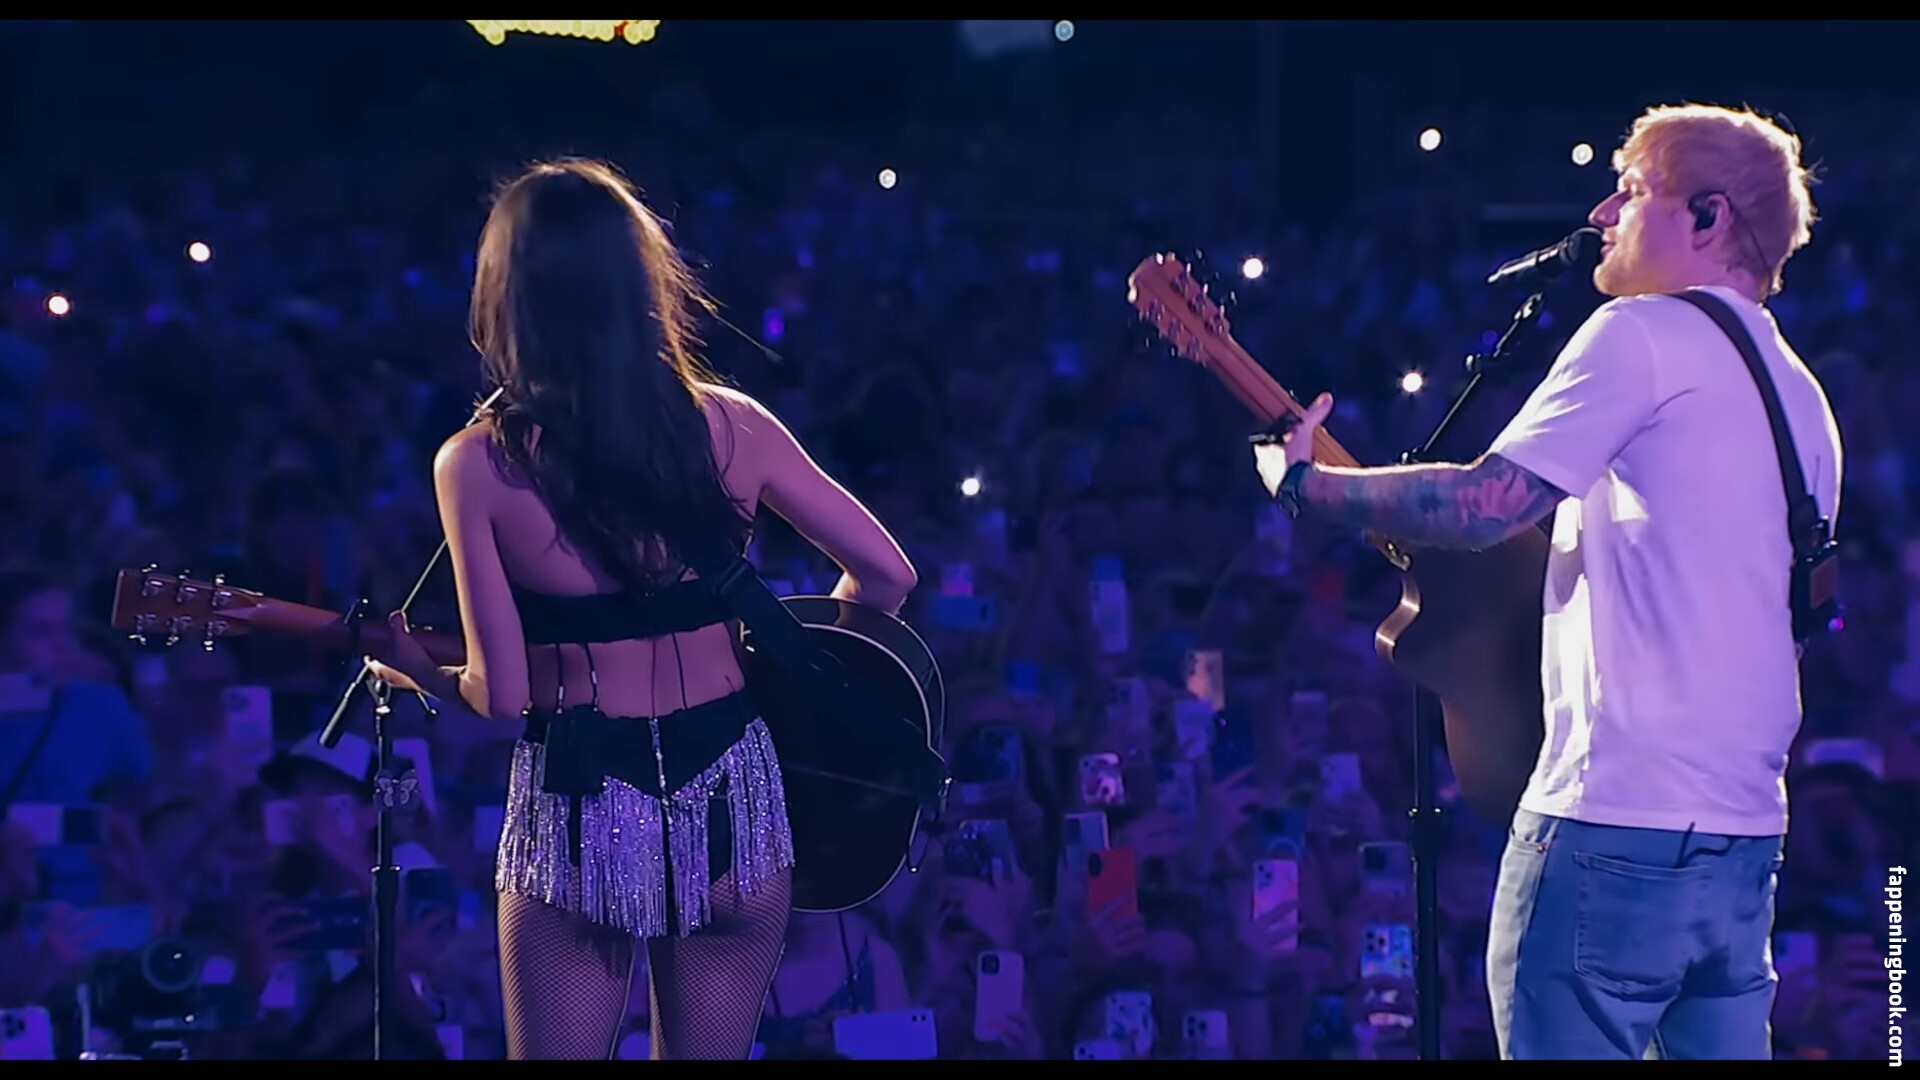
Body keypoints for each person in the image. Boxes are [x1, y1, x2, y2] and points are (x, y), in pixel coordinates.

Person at [1250, 104, 1839, 1060]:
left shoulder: (1643, 334)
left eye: (1632, 191)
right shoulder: (1801, 396)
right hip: (1742, 839)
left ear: (1708, 216)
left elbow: (1487, 503)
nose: (1602, 213)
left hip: (1614, 823)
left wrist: (1308, 486)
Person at [362, 158, 918, 1060]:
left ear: (509, 295)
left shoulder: (477, 465)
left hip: (581, 817)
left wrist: (422, 670)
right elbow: (886, 576)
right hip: (736, 807)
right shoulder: (736, 426)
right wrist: (792, 679)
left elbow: (502, 695)